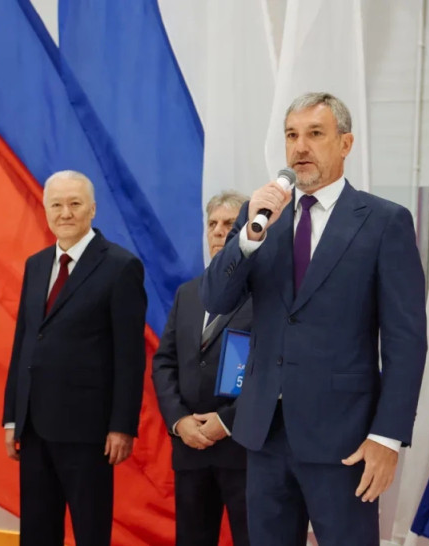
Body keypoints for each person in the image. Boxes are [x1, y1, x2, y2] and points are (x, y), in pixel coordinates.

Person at [201, 92, 428, 546]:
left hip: (344, 438)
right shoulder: (261, 217)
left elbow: (405, 341)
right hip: (264, 434)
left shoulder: (384, 221)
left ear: (345, 143)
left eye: (315, 134)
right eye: (291, 135)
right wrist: (247, 237)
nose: (300, 147)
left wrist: (387, 436)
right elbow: (217, 298)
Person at [2, 170, 147, 546]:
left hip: (89, 431)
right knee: (36, 533)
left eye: (75, 203)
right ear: (46, 209)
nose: (65, 213)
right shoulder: (36, 265)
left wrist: (122, 426)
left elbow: (130, 357)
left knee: (90, 532)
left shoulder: (121, 266)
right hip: (34, 427)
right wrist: (12, 417)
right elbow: (24, 343)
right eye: (56, 204)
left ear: (92, 209)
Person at [152, 191, 252, 546]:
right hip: (191, 448)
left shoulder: (266, 294)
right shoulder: (188, 293)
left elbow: (272, 370)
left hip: (243, 450)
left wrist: (225, 422)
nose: (218, 231)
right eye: (212, 224)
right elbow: (164, 362)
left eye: (229, 224)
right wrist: (179, 421)